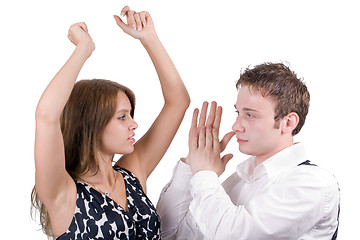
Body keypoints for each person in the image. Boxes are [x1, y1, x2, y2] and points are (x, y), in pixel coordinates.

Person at [31, 6, 190, 239]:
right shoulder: (63, 192)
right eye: (122, 117)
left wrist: (149, 38)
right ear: (91, 124)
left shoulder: (131, 174)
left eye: (131, 115)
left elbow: (178, 103)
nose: (134, 125)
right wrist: (83, 49)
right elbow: (46, 114)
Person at [157, 63, 340, 239]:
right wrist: (193, 163)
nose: (236, 126)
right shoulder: (238, 181)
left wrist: (204, 172)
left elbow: (231, 235)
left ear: (288, 122)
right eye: (238, 113)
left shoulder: (313, 183)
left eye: (250, 115)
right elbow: (168, 234)